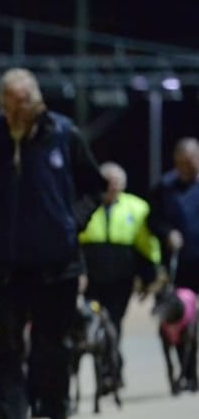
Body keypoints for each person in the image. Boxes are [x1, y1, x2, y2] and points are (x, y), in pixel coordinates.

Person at [0, 68, 105, 419]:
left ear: (35, 100)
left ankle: (57, 415)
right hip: (6, 264)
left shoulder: (63, 133)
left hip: (58, 263)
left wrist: (70, 223)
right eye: (8, 104)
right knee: (6, 346)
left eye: (21, 103)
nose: (15, 111)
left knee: (51, 346)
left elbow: (95, 188)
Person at [79, 161, 161, 384]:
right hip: (91, 278)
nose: (112, 187)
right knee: (91, 323)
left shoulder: (137, 208)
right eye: (107, 182)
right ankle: (103, 367)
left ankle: (111, 370)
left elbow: (146, 245)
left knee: (113, 323)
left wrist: (150, 276)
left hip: (120, 279)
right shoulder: (85, 205)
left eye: (116, 183)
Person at [147, 137, 199, 390]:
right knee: (180, 320)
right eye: (180, 163)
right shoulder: (164, 187)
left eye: (190, 162)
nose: (185, 167)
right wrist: (167, 233)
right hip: (180, 265)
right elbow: (152, 220)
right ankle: (187, 372)